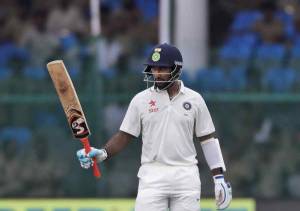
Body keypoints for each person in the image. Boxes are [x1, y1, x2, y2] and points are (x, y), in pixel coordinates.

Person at [76, 43, 232, 210]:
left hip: (186, 175)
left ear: (176, 69)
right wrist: (103, 153)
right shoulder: (140, 100)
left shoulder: (195, 99)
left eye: (162, 69)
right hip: (152, 175)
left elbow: (207, 139)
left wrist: (219, 179)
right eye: (154, 68)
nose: (156, 74)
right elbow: (124, 136)